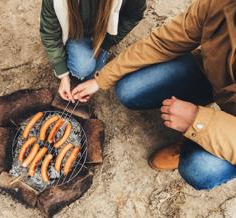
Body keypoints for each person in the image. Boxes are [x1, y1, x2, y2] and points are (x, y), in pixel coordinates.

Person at [72, 0, 236, 190]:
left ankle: (192, 145)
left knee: (200, 169)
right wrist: (102, 79)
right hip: (211, 73)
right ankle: (200, 122)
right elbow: (164, 41)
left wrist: (197, 121)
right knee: (130, 90)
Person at [40, 0, 146, 102]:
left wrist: (106, 44)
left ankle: (102, 49)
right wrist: (63, 75)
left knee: (93, 74)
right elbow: (50, 34)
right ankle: (71, 46)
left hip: (105, 33)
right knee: (83, 69)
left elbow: (133, 15)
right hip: (78, 33)